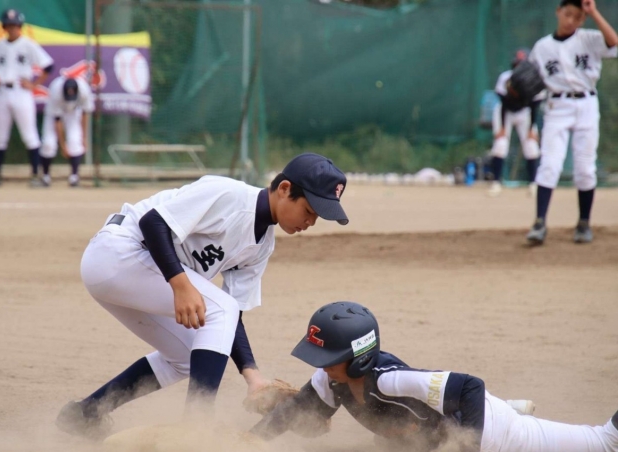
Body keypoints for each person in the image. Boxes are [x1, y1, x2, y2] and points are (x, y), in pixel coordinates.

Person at [55, 153, 349, 438]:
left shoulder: (262, 246)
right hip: (118, 252)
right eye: (309, 210)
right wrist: (180, 284)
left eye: (317, 217)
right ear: (284, 189)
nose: (310, 222)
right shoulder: (230, 196)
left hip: (133, 271)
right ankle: (196, 424)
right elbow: (152, 223)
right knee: (220, 309)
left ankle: (86, 413)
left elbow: (233, 316)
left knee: (186, 355)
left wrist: (253, 377)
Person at [250, 301, 618, 452]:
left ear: (359, 359)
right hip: (433, 433)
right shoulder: (332, 380)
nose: (322, 365)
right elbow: (293, 412)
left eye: (329, 358)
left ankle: (509, 410)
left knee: (604, 443)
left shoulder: (390, 380)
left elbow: (470, 387)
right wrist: (247, 441)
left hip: (498, 435)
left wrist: (466, 447)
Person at [526, 0, 617, 244]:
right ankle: (539, 223)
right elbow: (532, 84)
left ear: (583, 19)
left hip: (586, 105)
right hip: (556, 106)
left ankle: (584, 223)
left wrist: (594, 12)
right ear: (558, 12)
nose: (571, 20)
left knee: (585, 168)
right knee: (549, 165)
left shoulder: (589, 38)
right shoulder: (542, 47)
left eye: (577, 17)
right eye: (567, 14)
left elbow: (614, 42)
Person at [0, 9, 54, 187]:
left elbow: (48, 65)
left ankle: (35, 175)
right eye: (9, 25)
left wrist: (34, 84)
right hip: (3, 92)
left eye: (15, 25)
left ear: (20, 26)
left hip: (22, 92)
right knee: (0, 136)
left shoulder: (28, 44)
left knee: (30, 135)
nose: (12, 28)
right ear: (4, 27)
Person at [487, 49, 543, 198]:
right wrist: (502, 128)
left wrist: (531, 129)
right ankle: (496, 183)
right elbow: (504, 103)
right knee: (500, 145)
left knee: (531, 146)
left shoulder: (535, 81)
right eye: (518, 64)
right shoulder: (506, 78)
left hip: (525, 113)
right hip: (506, 112)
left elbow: (534, 106)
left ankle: (534, 184)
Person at [40, 76, 94, 187]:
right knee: (48, 144)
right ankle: (46, 177)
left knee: (75, 141)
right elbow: (57, 121)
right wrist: (63, 146)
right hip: (53, 114)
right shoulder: (56, 91)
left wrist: (84, 137)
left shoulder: (84, 91)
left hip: (73, 113)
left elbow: (85, 114)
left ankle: (74, 177)